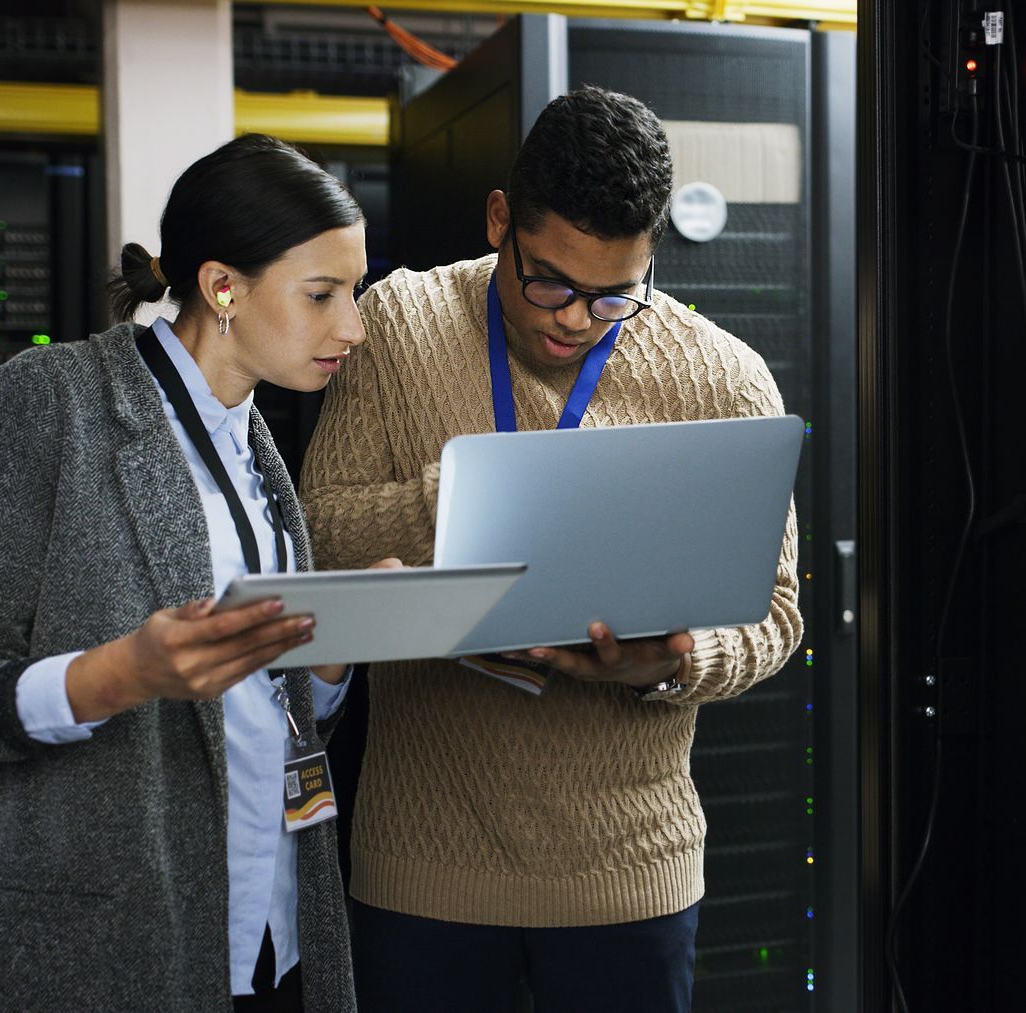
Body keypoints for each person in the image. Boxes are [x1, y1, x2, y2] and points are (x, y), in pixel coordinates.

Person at [300, 86, 803, 1012]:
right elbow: (318, 534)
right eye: (550, 282)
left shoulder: (723, 375)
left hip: (629, 870)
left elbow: (776, 614)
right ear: (501, 221)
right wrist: (472, 496)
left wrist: (678, 659)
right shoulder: (396, 326)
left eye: (615, 293)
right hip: (424, 863)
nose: (575, 317)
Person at [0, 133, 380, 1012]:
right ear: (222, 286)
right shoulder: (46, 402)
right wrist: (120, 674)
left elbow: (272, 707)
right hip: (100, 938)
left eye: (353, 291)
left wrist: (335, 651)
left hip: (272, 920)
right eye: (322, 294)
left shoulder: (259, 446)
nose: (351, 325)